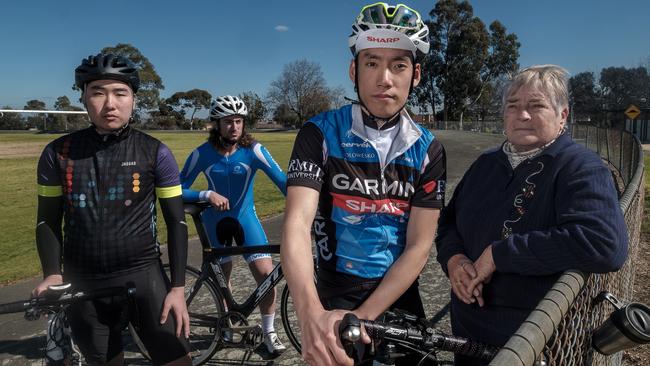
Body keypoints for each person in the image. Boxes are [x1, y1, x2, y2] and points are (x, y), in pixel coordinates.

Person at [281, 3, 447, 365]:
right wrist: (309, 315)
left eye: (398, 65)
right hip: (333, 291)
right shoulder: (319, 133)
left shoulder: (428, 149)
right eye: (372, 63)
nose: (384, 78)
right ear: (354, 70)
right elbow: (296, 224)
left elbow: (419, 246)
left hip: (398, 293)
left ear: (416, 75)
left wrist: (367, 315)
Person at [435, 65, 628, 365]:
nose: (522, 115)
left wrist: (499, 255)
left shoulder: (581, 167)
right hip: (467, 335)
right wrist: (455, 259)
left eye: (536, 105)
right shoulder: (486, 163)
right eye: (513, 107)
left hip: (537, 341)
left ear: (562, 115)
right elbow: (448, 223)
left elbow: (604, 244)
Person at [32, 53, 191, 366]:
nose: (110, 104)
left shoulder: (154, 151)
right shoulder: (57, 153)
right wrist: (52, 273)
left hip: (145, 279)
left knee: (177, 361)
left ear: (133, 99)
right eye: (98, 92)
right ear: (84, 98)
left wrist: (178, 288)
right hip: (84, 287)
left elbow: (176, 222)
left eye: (120, 93)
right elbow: (47, 221)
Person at [179, 95, 288, 356]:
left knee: (265, 273)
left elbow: (283, 183)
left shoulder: (254, 151)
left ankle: (269, 331)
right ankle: (227, 326)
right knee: (221, 279)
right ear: (217, 124)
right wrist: (205, 195)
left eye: (239, 121)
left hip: (245, 219)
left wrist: (308, 206)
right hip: (214, 222)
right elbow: (177, 188)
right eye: (228, 122)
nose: (235, 127)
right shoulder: (201, 154)